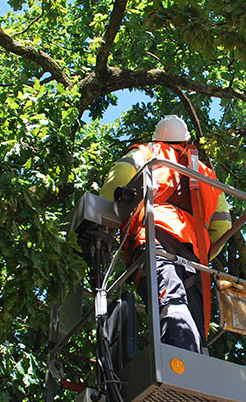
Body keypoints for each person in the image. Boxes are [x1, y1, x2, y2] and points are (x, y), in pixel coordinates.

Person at [99, 115, 231, 353]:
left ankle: (181, 367)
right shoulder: (207, 174)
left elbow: (115, 184)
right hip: (195, 256)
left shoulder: (146, 154)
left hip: (154, 239)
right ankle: (198, 366)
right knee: (193, 315)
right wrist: (203, 251)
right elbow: (222, 227)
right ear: (185, 140)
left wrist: (102, 222)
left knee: (171, 301)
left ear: (157, 137)